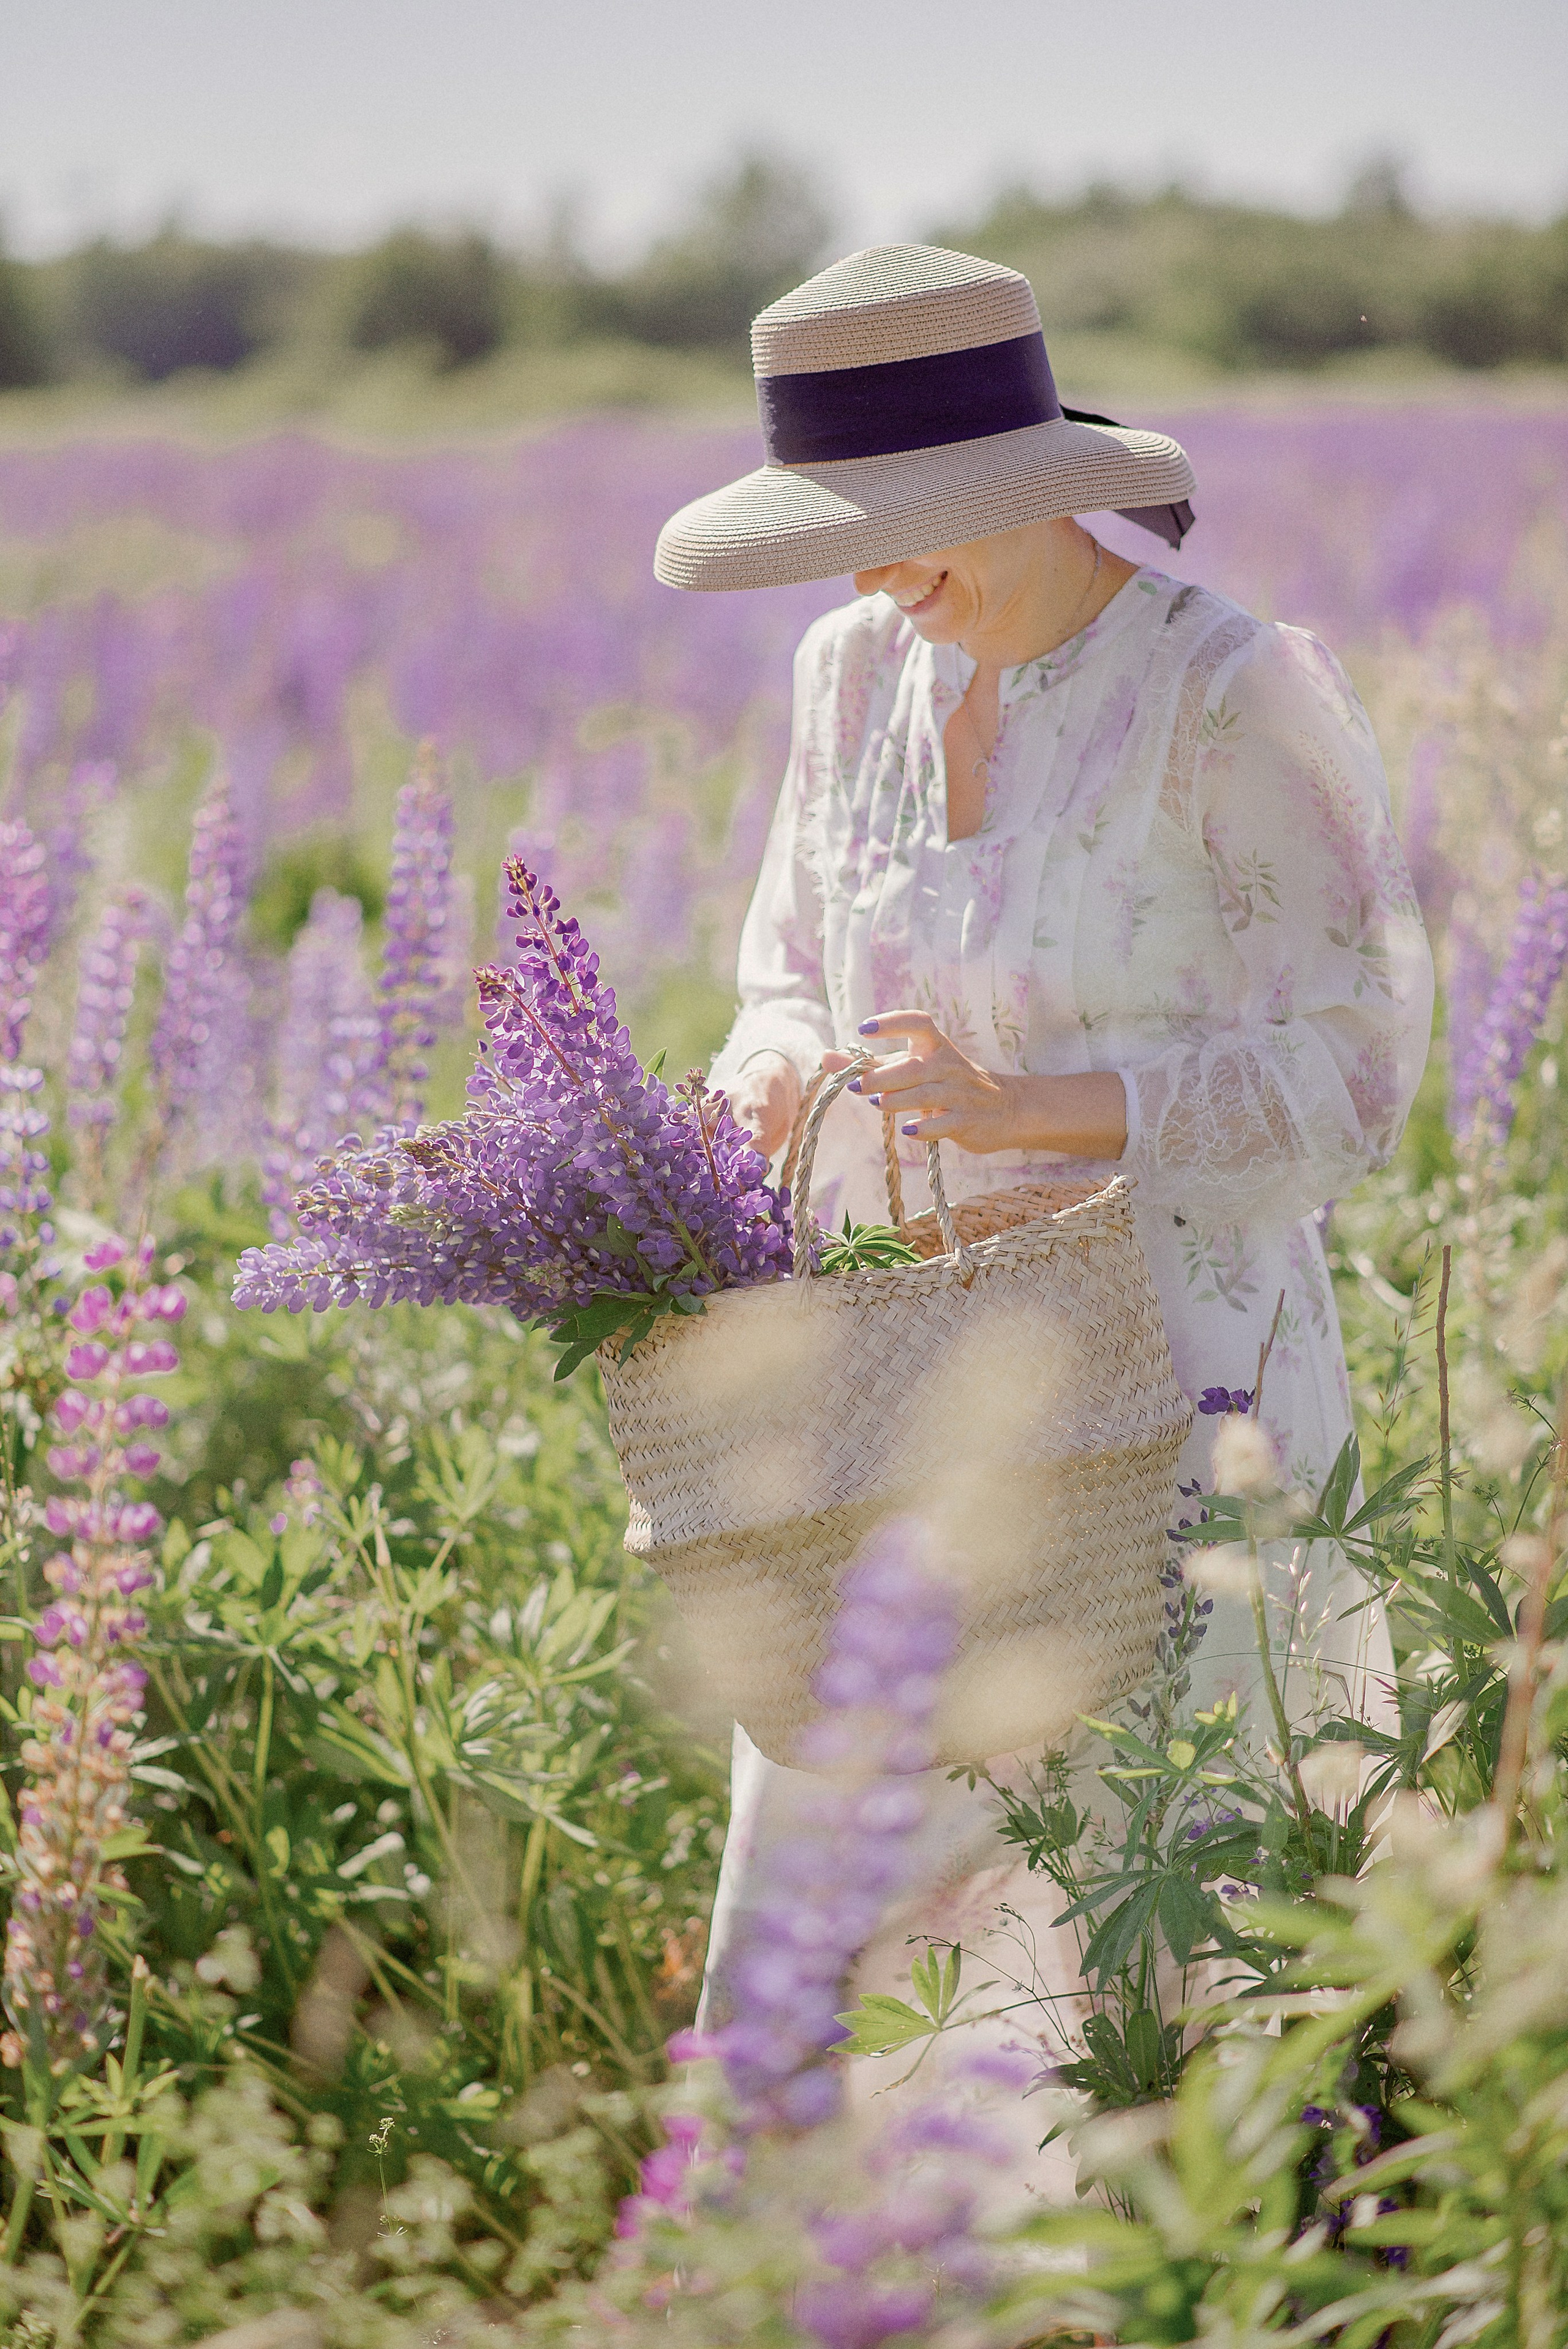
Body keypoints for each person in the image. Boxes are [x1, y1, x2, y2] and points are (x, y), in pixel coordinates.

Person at [654, 243, 1433, 2194]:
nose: (867, 578)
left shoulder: (1232, 693)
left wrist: (1049, 1106)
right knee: (859, 1906)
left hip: (1188, 1400)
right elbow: (784, 973)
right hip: (904, 1399)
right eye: (833, 537)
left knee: (1154, 1929)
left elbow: (1362, 1063)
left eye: (900, 530)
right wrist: (766, 1066)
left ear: (1021, 478)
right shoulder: (850, 678)